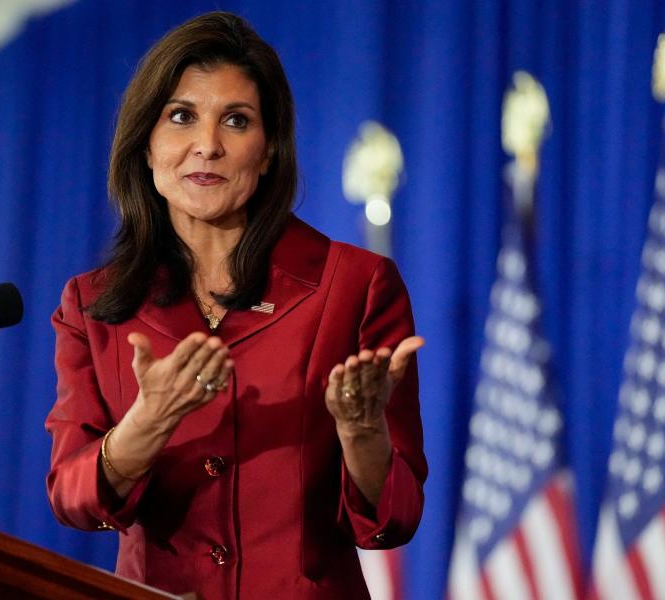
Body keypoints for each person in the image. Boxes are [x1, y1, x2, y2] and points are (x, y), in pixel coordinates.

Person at [46, 11, 427, 599]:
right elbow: (72, 498)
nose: (207, 145)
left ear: (269, 149)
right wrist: (145, 425)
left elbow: (394, 520)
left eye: (236, 120)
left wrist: (362, 435)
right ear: (146, 146)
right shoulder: (93, 304)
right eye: (181, 117)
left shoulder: (356, 285)